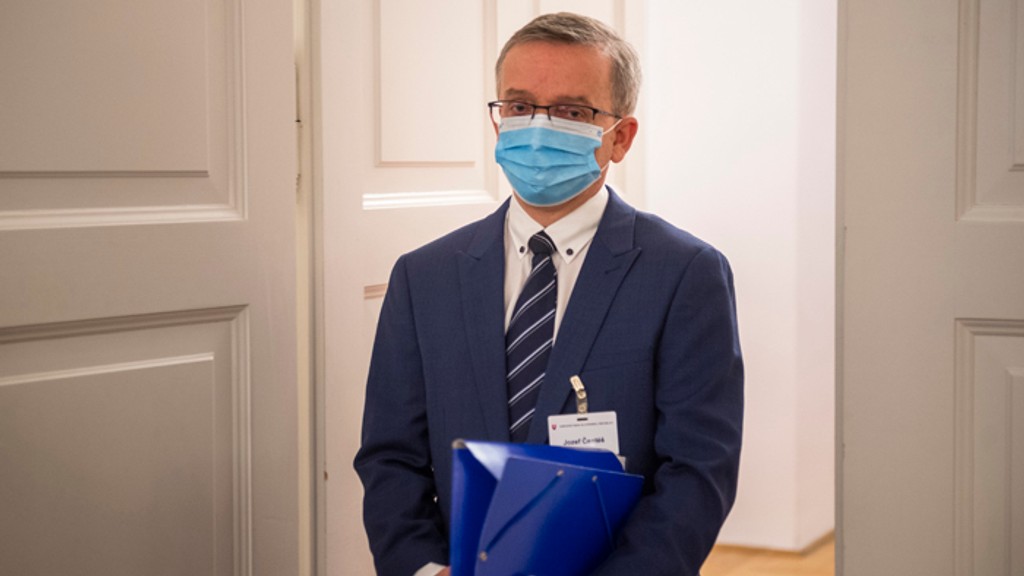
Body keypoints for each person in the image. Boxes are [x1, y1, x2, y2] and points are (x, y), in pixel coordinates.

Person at [354, 12, 743, 576]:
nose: (538, 128)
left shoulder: (686, 274)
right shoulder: (424, 276)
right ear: (498, 122)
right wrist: (425, 568)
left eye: (571, 112)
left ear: (620, 137)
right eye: (519, 106)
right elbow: (390, 457)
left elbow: (698, 470)